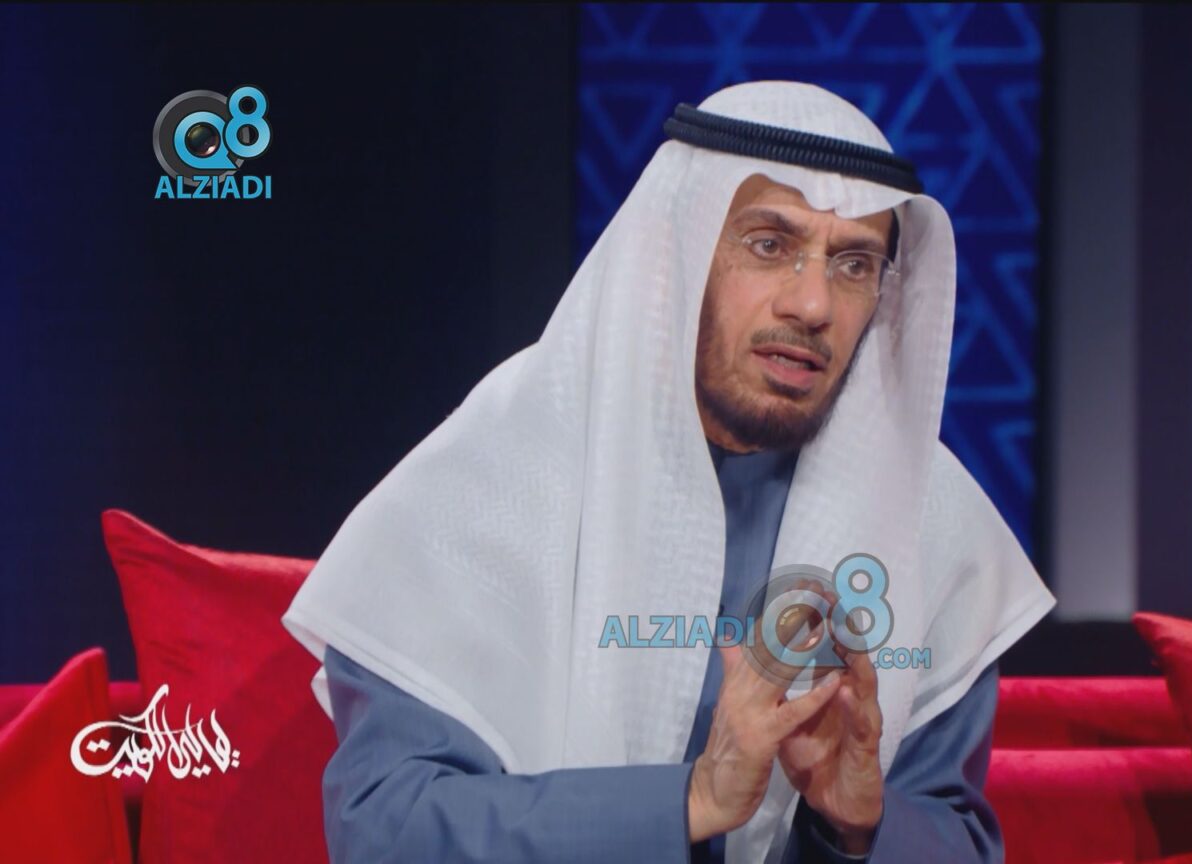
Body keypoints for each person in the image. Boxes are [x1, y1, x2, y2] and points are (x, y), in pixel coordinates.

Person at [282, 80, 1055, 863]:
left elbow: (954, 835)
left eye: (854, 264)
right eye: (769, 245)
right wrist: (690, 803)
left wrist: (856, 829)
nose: (813, 304)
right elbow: (388, 831)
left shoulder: (930, 525)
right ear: (675, 257)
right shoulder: (486, 482)